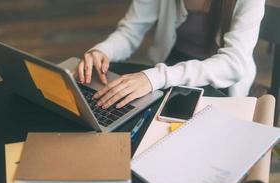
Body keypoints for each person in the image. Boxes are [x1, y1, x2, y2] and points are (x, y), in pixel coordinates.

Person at [77, 0, 265, 109]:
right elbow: (130, 31)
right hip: (171, 67)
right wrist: (102, 50)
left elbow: (234, 64)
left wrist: (154, 78)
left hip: (223, 83)